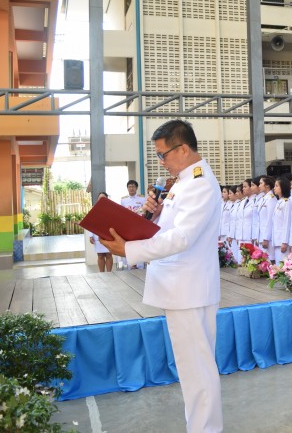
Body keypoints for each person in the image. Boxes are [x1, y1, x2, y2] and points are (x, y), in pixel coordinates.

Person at [100, 120, 223, 433]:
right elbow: (169, 229)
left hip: (189, 289)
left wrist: (130, 249)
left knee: (197, 370)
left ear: (183, 149)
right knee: (192, 368)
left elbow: (182, 238)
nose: (161, 161)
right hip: (181, 288)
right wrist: (153, 216)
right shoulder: (183, 182)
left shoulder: (198, 183)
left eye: (162, 154)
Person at [120, 180, 147, 269]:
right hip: (128, 226)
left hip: (139, 225)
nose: (131, 188)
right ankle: (131, 265)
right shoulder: (123, 199)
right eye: (129, 186)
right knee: (129, 245)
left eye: (133, 186)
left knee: (139, 244)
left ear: (136, 188)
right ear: (127, 188)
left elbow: (145, 211)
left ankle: (140, 265)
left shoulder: (142, 198)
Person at [89, 192, 113, 272]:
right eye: (100, 198)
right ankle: (101, 274)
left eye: (103, 198)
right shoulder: (94, 209)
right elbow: (90, 223)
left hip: (109, 235)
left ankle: (109, 273)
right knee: (100, 255)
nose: (101, 199)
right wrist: (90, 235)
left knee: (109, 254)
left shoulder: (111, 209)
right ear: (97, 199)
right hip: (97, 235)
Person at [256, 176, 278, 261]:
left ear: (267, 185)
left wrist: (266, 238)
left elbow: (270, 220)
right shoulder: (263, 198)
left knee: (269, 261)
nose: (259, 185)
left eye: (261, 183)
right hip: (261, 235)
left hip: (267, 237)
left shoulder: (271, 199)